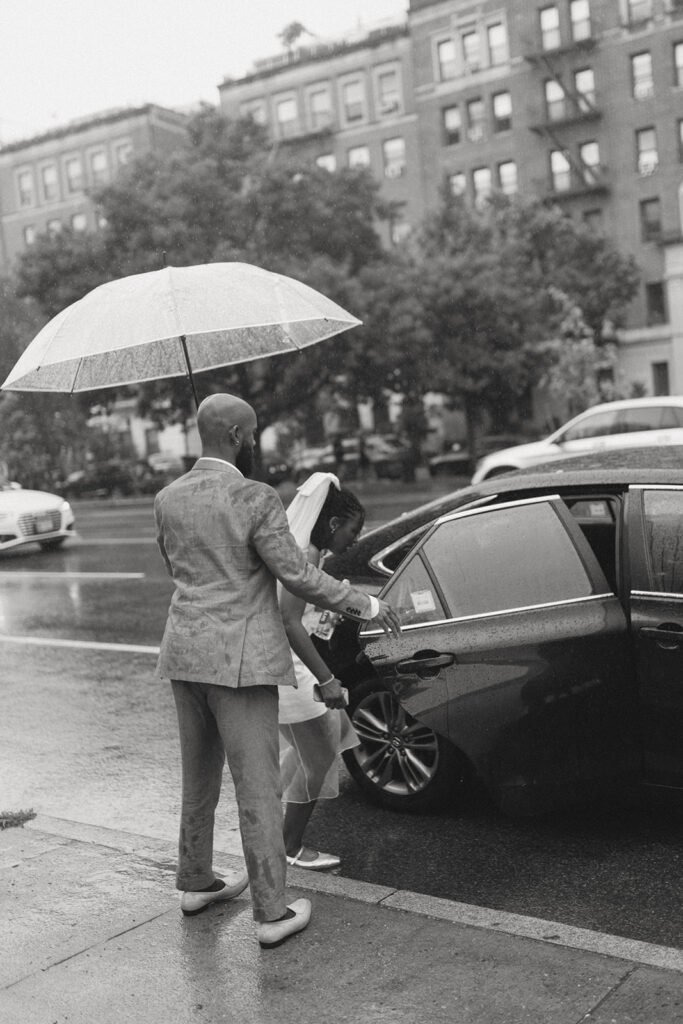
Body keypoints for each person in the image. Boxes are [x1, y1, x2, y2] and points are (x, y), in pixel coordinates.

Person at [154, 393, 400, 951]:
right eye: (255, 433)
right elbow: (296, 575)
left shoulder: (167, 497)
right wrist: (367, 605)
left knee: (198, 778)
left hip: (184, 653)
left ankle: (195, 882)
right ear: (239, 436)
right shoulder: (254, 496)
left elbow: (176, 567)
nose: (256, 443)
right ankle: (271, 910)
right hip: (239, 660)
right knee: (259, 787)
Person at [278, 473, 363, 870]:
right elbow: (289, 621)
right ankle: (289, 845)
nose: (355, 540)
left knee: (329, 737)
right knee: (319, 752)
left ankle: (266, 825)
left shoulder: (312, 551)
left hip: (295, 664)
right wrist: (326, 679)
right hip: (289, 669)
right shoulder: (306, 555)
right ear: (332, 524)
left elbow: (303, 616)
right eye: (352, 530)